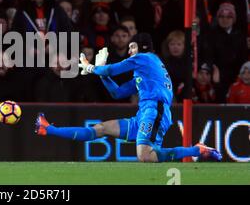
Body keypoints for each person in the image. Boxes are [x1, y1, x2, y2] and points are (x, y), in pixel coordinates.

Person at [36, 33, 222, 162]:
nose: (129, 51)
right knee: (100, 129)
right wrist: (101, 74)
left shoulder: (146, 58)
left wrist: (92, 67)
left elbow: (111, 69)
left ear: (143, 46)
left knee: (145, 156)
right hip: (145, 113)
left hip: (155, 110)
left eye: (132, 46)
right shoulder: (145, 72)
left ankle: (197, 150)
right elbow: (117, 93)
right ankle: (49, 129)